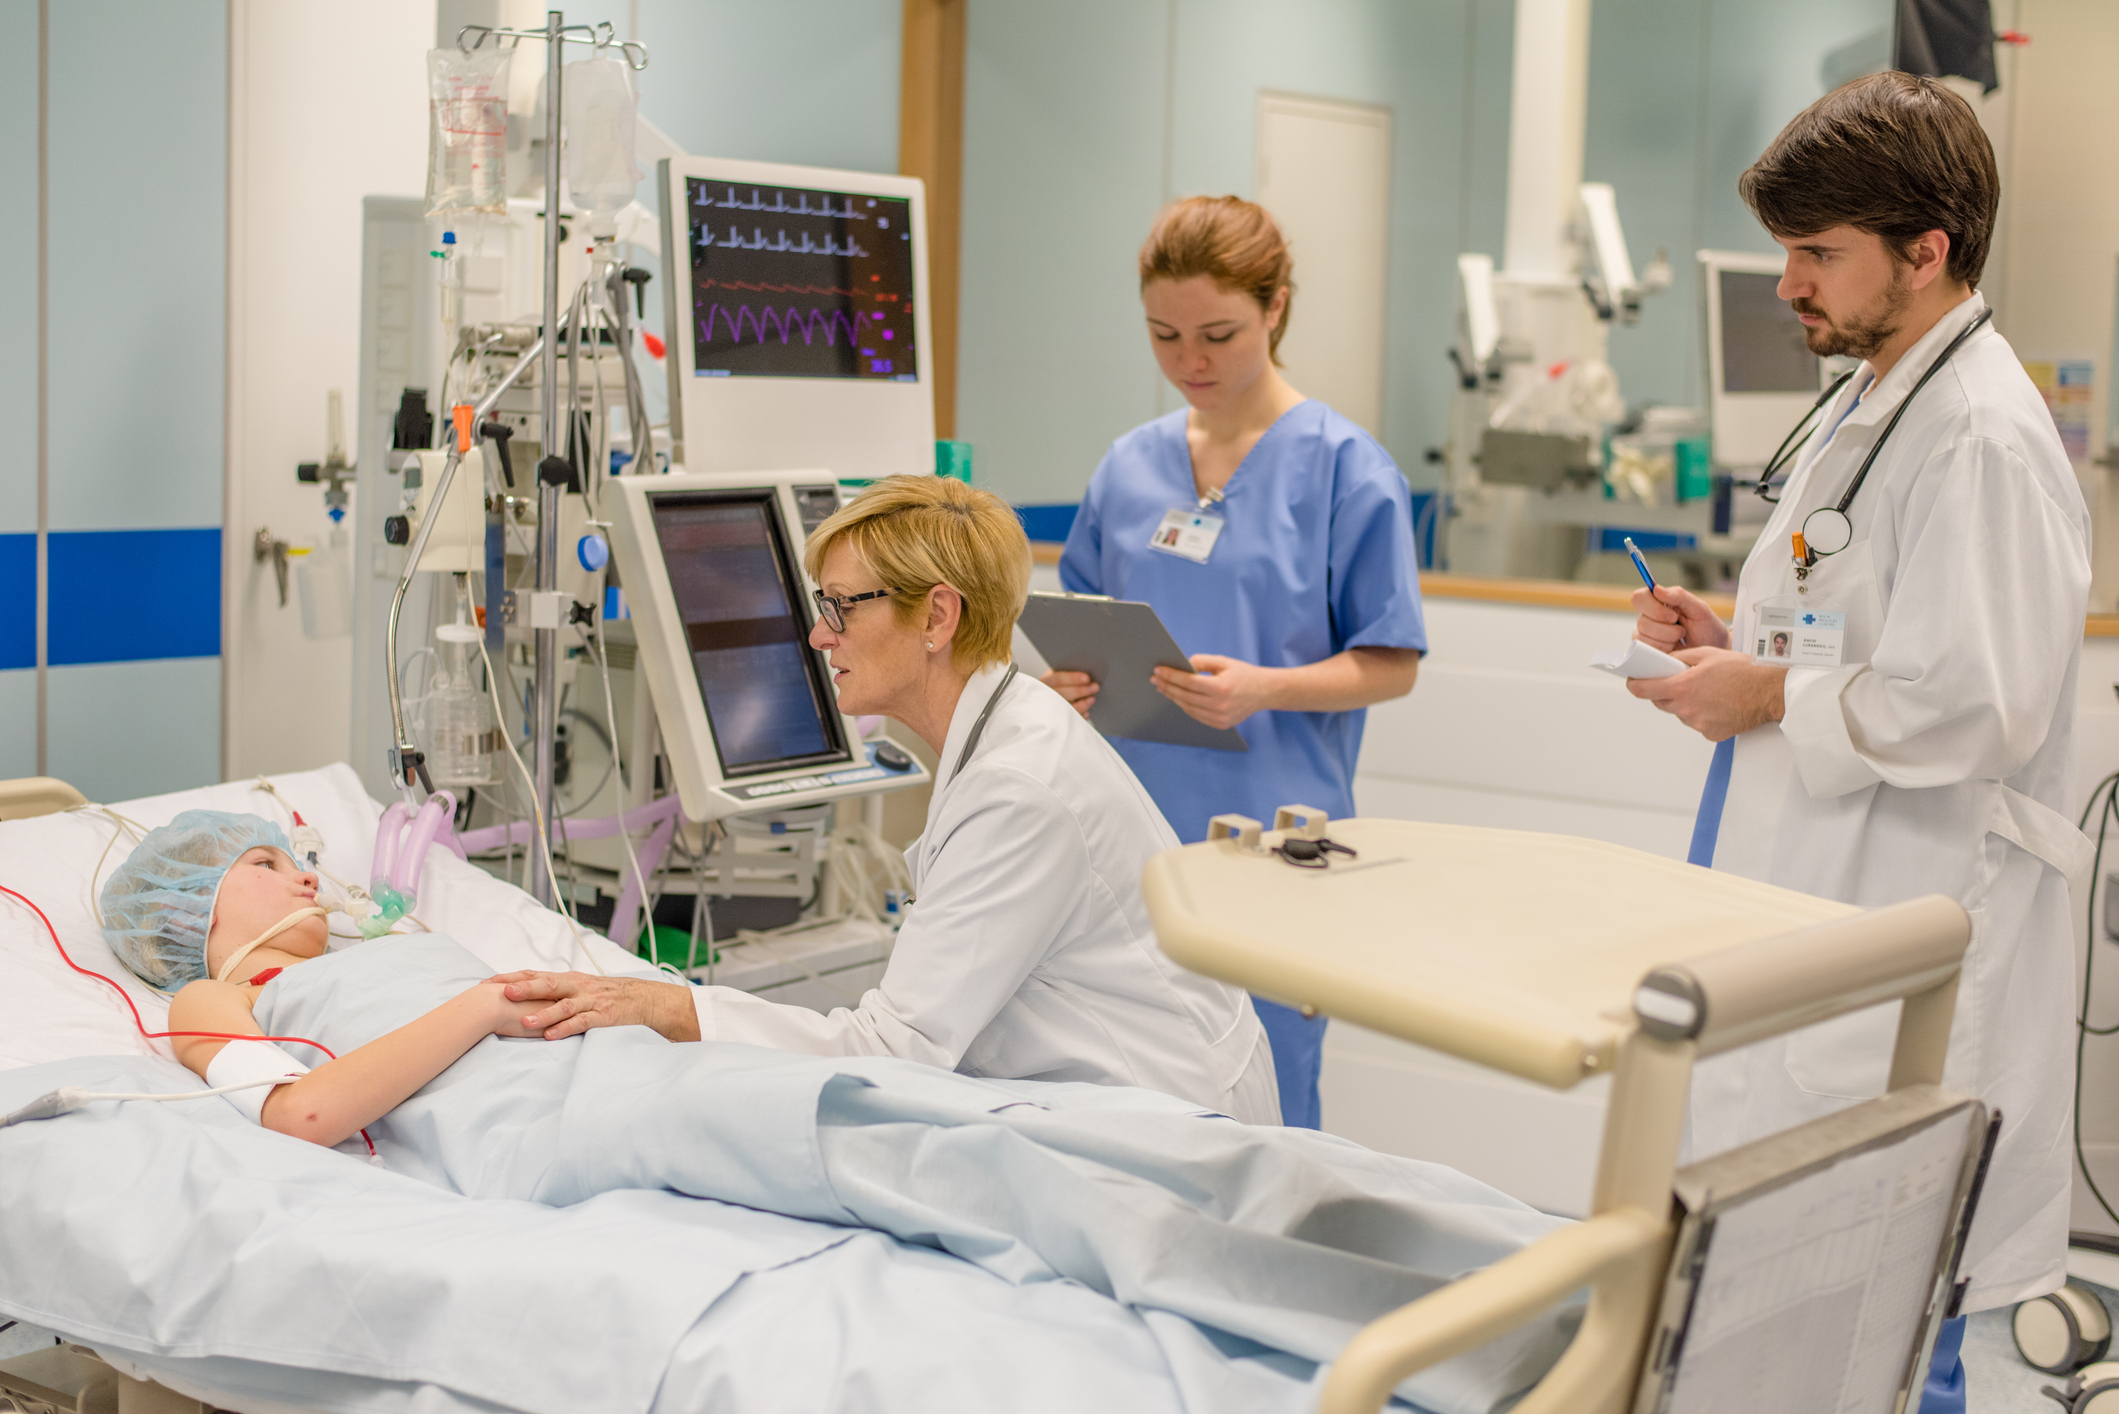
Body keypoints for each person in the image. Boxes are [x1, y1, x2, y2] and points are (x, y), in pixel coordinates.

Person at [1623, 74, 2089, 1414]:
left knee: (1884, 1316)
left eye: (1815, 252)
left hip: (1916, 912)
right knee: (1791, 1298)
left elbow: (1975, 700)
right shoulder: (1874, 394)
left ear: (1924, 250)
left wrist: (1761, 697)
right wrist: (1739, 642)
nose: (1786, 284)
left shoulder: (1983, 433)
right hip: (1824, 894)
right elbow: (1863, 632)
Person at [499, 475, 1281, 1123]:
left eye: (841, 606)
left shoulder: (1018, 786)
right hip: (1143, 1087)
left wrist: (668, 1007)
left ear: (937, 615)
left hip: (1166, 1124)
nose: (818, 636)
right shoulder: (1010, 723)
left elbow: (891, 1050)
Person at [1044, 195, 1425, 1129]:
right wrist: (1067, 685)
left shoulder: (1345, 468)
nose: (1191, 362)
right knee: (1119, 1087)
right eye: (1164, 336)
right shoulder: (1128, 467)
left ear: (1276, 308)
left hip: (1273, 841)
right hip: (1122, 831)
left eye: (1218, 333)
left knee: (1264, 1093)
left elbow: (1390, 662)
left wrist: (1266, 689)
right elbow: (1083, 614)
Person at [97, 810, 547, 1147]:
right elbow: (298, 1114)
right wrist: (485, 1007)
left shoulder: (382, 948)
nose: (309, 877)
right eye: (266, 864)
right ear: (184, 914)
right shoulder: (213, 998)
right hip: (523, 1117)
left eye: (296, 864)